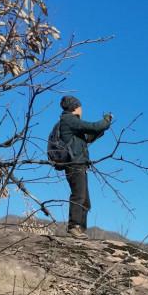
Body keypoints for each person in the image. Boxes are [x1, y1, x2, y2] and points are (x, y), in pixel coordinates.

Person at [58, 96, 113, 238]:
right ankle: (74, 227)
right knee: (79, 195)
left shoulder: (72, 124)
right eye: (80, 106)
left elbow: (88, 137)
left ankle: (81, 229)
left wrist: (101, 130)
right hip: (74, 163)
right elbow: (93, 127)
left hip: (79, 163)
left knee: (85, 200)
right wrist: (106, 121)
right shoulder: (69, 120)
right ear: (75, 107)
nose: (82, 109)